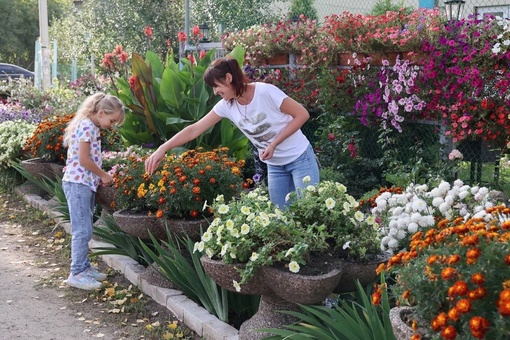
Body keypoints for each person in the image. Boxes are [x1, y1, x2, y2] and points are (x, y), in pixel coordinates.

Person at [145, 57, 319, 208]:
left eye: (216, 86)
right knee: (281, 218)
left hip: (299, 158)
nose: (214, 92)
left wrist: (274, 143)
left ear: (228, 78)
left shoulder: (265, 92)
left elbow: (302, 114)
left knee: (307, 210)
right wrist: (163, 148)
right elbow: (194, 130)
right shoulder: (226, 106)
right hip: (275, 165)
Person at [62, 93, 125, 290]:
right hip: (78, 183)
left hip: (83, 183)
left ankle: (84, 267)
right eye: (112, 120)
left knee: (85, 227)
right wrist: (104, 175)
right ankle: (77, 272)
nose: (112, 125)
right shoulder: (88, 127)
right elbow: (84, 159)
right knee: (82, 230)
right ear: (100, 112)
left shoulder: (88, 125)